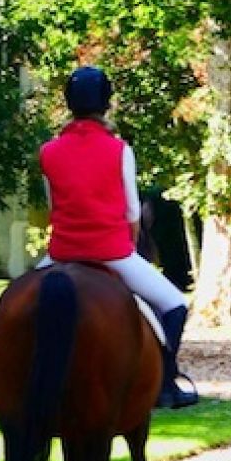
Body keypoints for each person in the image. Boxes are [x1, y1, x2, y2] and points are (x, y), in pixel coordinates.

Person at [39, 66, 198, 408]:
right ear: (106, 105)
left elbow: (52, 206)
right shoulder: (119, 149)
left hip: (61, 253)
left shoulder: (48, 151)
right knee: (175, 306)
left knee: (17, 304)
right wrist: (131, 243)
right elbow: (132, 214)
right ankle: (164, 383)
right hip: (111, 252)